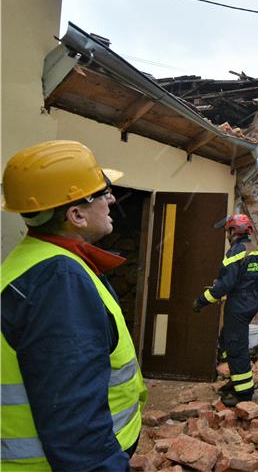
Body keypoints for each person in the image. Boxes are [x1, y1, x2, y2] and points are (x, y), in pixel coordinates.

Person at [1, 140, 147, 470]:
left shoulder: (41, 261)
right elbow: (75, 423)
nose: (111, 199)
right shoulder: (58, 281)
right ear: (76, 214)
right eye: (101, 192)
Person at [193, 213, 258, 407]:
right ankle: (236, 380)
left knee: (237, 347)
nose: (227, 236)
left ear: (233, 231)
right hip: (251, 304)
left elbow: (224, 285)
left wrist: (200, 301)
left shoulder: (235, 253)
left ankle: (244, 393)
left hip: (238, 305)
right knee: (227, 340)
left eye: (228, 231)